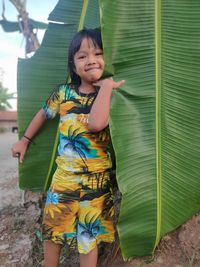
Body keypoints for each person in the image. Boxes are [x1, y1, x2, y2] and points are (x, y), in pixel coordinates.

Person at [12, 28, 125, 267]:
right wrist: (25, 140)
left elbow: (96, 123)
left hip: (97, 181)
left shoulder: (110, 95)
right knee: (54, 230)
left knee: (89, 238)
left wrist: (105, 89)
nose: (91, 60)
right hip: (65, 178)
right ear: (73, 66)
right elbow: (42, 114)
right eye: (82, 56)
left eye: (97, 53)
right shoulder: (63, 93)